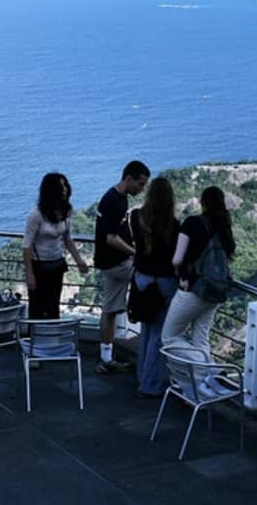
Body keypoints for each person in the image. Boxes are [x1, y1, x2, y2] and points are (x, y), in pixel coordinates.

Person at [161, 185, 236, 394]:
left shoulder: (192, 223)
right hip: (215, 292)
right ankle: (201, 390)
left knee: (169, 338)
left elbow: (177, 259)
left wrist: (180, 272)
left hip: (192, 290)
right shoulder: (223, 226)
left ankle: (210, 368)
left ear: (203, 203)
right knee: (200, 338)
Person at [124, 177, 179, 397]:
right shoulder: (173, 225)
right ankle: (152, 383)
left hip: (142, 279)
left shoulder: (136, 217)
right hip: (164, 281)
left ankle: (143, 375)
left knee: (146, 329)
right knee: (159, 333)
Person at [93, 160, 150, 374]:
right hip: (118, 262)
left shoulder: (113, 196)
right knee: (152, 279)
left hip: (107, 262)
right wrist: (136, 253)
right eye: (140, 184)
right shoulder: (116, 202)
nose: (141, 189)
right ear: (129, 178)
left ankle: (106, 357)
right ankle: (149, 343)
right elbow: (111, 238)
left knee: (109, 310)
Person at [23, 172, 89, 320]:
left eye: (65, 185)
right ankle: (36, 334)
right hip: (38, 266)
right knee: (37, 308)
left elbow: (67, 239)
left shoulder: (66, 212)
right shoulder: (36, 215)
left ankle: (53, 333)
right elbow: (27, 246)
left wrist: (79, 260)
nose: (64, 189)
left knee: (53, 306)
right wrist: (29, 274)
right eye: (61, 186)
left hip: (56, 264)